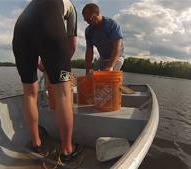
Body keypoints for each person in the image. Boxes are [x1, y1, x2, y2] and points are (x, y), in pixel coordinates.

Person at [12, 0, 82, 161]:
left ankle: (36, 143)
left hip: (20, 30)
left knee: (29, 93)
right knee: (64, 94)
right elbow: (71, 46)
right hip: (49, 24)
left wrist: (46, 65)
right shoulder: (70, 6)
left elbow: (36, 51)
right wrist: (58, 68)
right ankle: (67, 150)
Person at [82, 3, 124, 75]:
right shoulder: (88, 31)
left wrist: (110, 66)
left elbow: (117, 48)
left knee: (106, 77)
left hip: (117, 57)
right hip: (102, 59)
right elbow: (89, 52)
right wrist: (87, 71)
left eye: (90, 19)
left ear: (97, 13)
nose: (89, 23)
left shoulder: (112, 25)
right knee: (91, 76)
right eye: (86, 20)